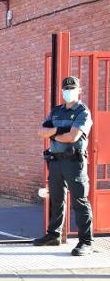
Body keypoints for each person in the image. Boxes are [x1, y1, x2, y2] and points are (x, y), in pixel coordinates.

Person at [34, 76, 94, 256]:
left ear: (79, 90)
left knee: (80, 201)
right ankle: (53, 235)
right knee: (57, 200)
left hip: (74, 162)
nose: (68, 92)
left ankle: (86, 242)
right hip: (56, 162)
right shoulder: (56, 111)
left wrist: (52, 134)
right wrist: (59, 131)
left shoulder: (83, 111)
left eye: (72, 89)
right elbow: (40, 132)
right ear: (62, 91)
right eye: (66, 89)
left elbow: (73, 137)